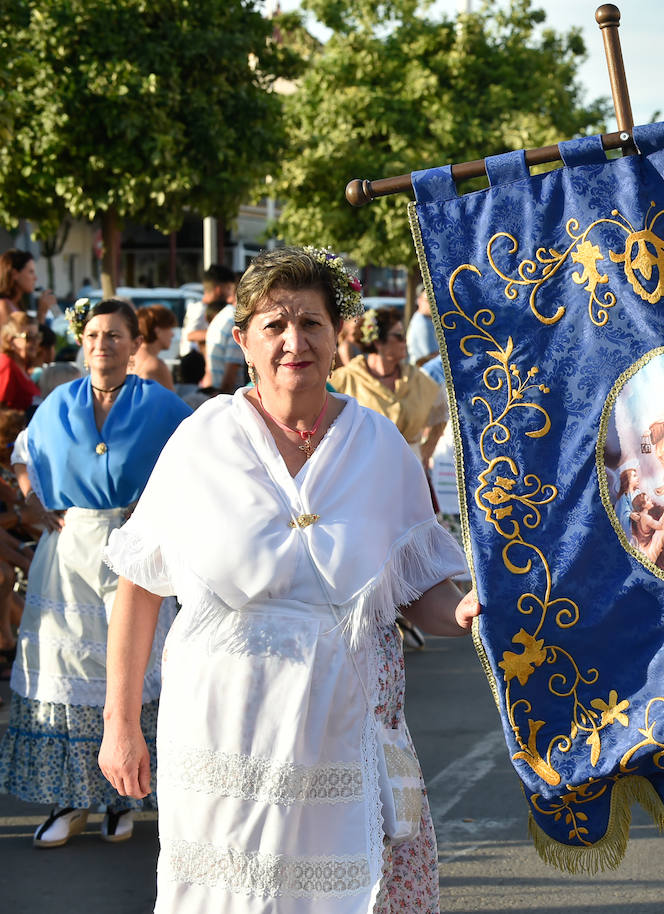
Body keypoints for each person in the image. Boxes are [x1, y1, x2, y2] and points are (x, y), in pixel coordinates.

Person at [98, 246, 479, 911]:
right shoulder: (201, 440)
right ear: (242, 341)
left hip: (347, 730)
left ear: (338, 340)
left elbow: (418, 590)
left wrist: (469, 613)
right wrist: (120, 723)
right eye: (274, 326)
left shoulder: (381, 446)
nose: (292, 342)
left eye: (311, 324)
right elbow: (140, 583)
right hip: (224, 740)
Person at [0, 299, 190, 847]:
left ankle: (125, 798)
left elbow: (196, 466)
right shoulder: (59, 401)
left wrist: (159, 506)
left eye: (114, 336)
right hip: (68, 551)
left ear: (134, 346)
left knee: (132, 672)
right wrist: (33, 505)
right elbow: (23, 454)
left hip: (135, 550)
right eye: (93, 336)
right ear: (82, 345)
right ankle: (71, 798)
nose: (102, 345)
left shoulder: (163, 406)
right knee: (68, 671)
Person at [331, 306, 446, 465]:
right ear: (378, 342)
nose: (405, 341)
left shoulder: (417, 379)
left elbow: (444, 411)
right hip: (364, 470)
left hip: (409, 469)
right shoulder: (346, 380)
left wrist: (427, 450)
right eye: (398, 336)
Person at [0, 250, 58, 323]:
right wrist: (42, 312)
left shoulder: (17, 303)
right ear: (15, 274)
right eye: (31, 272)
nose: (35, 278)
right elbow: (26, 334)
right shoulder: (4, 305)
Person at [0, 313, 41, 411]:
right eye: (29, 337)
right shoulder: (6, 366)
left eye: (38, 336)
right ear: (11, 341)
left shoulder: (22, 366)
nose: (35, 342)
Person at [131, 305, 176, 390]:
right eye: (170, 328)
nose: (172, 334)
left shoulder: (130, 356)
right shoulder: (156, 365)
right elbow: (172, 401)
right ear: (157, 331)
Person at [406, 287, 439, 366]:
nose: (432, 304)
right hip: (423, 373)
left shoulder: (425, 319)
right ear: (419, 301)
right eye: (428, 300)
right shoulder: (422, 324)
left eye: (435, 301)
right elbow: (433, 355)